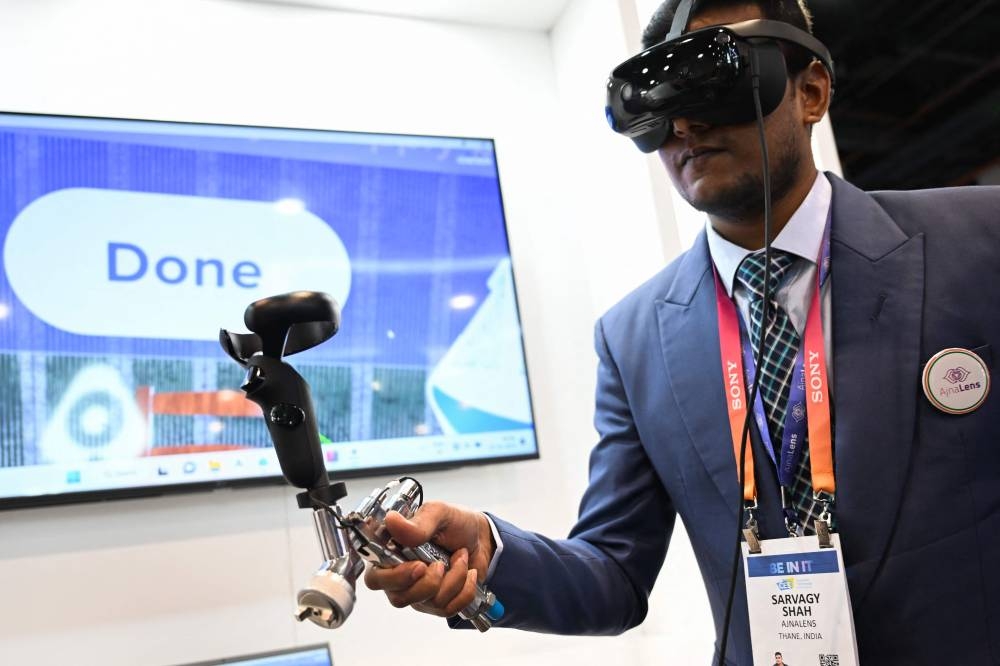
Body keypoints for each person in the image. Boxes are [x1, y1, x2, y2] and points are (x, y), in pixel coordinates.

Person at [366, 0, 1000, 662]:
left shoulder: (978, 246)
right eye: (656, 104)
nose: (685, 125)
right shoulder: (635, 339)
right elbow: (614, 573)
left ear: (810, 92)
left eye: (716, 84)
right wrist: (490, 553)